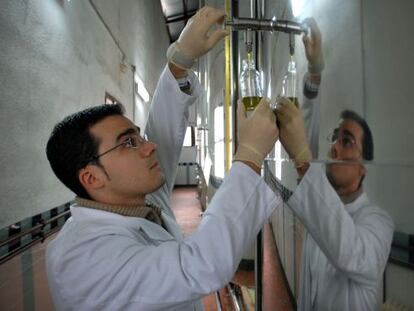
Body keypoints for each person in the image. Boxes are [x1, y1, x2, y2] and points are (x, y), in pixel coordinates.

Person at [45, 6, 280, 311]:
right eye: (128, 143)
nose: (149, 147)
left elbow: (163, 136)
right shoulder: (81, 259)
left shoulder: (134, 201)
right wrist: (248, 158)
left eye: (138, 135)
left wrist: (179, 64)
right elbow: (198, 268)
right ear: (91, 177)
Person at [276, 18, 394, 311]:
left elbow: (351, 253)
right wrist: (314, 72)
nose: (335, 147)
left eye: (347, 141)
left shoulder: (378, 222)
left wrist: (303, 160)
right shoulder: (324, 205)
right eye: (335, 138)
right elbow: (302, 130)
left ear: (364, 165)